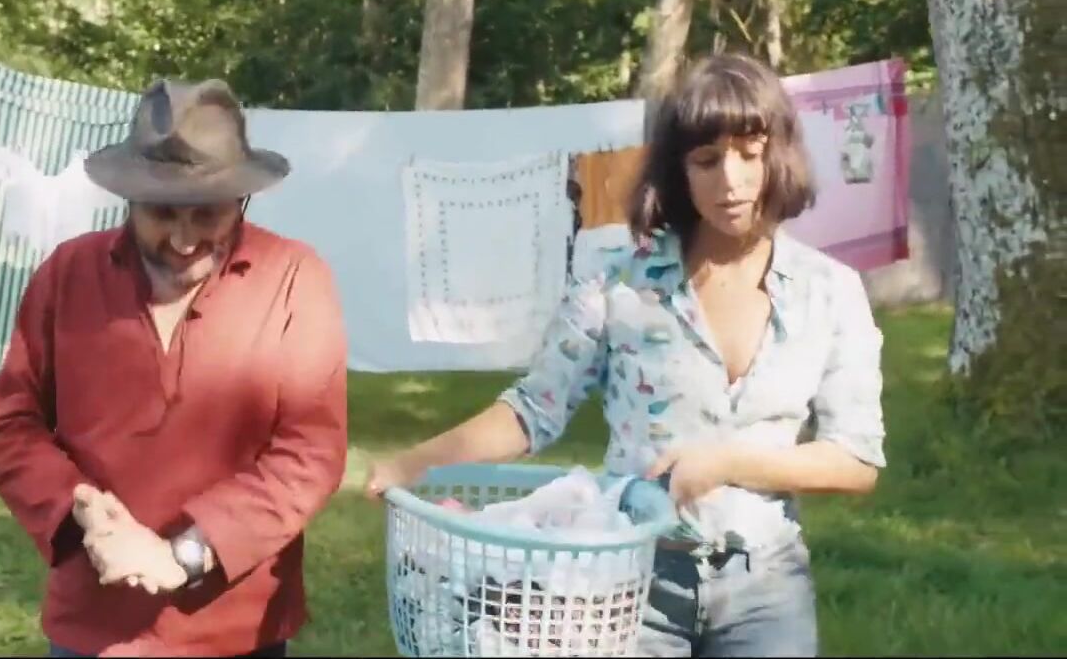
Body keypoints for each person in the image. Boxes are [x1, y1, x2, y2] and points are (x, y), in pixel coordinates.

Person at [365, 53, 887, 657]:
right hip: (628, 584)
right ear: (678, 170)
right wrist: (416, 464)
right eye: (706, 160)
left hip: (766, 588)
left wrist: (726, 464)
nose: (731, 180)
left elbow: (855, 460)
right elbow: (535, 409)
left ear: (782, 155)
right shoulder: (617, 276)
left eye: (750, 153)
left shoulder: (831, 291)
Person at [0, 78, 349, 658]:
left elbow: (310, 452)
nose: (184, 238)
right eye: (162, 212)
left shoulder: (294, 277)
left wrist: (185, 554)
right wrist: (77, 507)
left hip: (237, 628)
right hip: (94, 622)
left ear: (241, 199)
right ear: (128, 197)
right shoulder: (68, 274)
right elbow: (8, 423)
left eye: (208, 215)